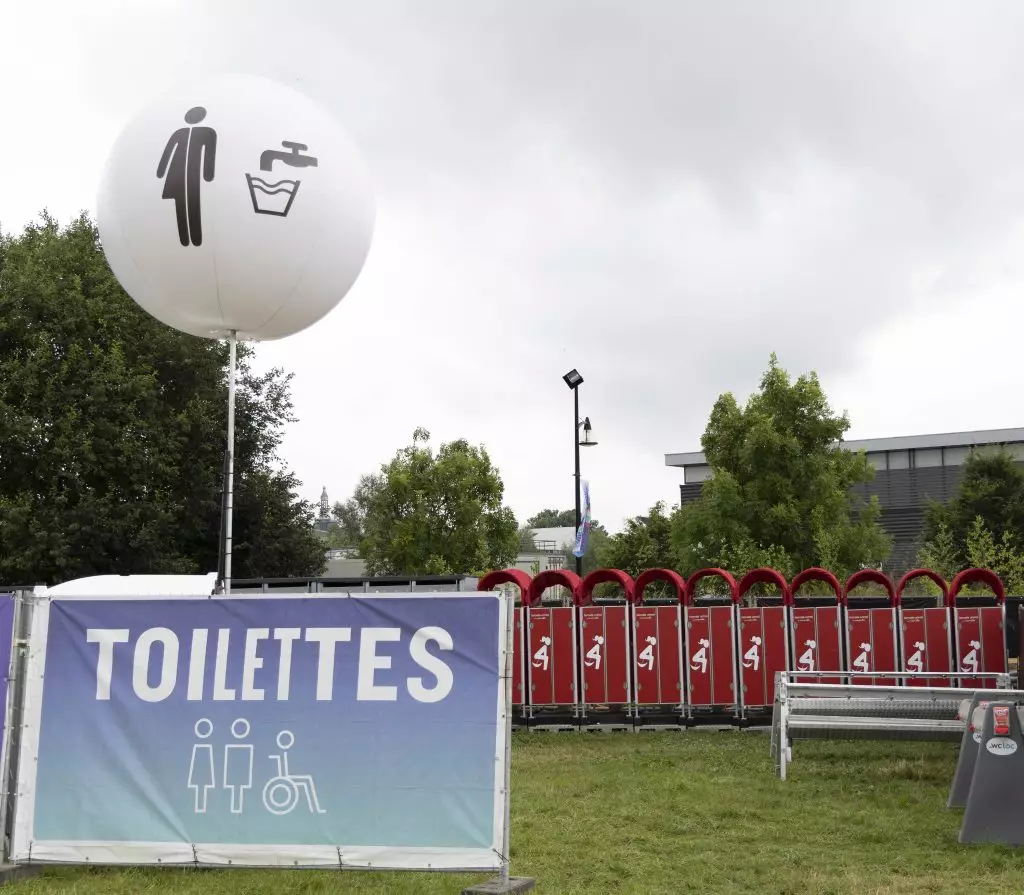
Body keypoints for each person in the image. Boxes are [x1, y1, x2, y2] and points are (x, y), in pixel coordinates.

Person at [157, 106, 217, 247]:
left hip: (179, 178)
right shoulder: (205, 132)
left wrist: (161, 170)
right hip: (181, 179)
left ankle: (193, 237)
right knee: (184, 207)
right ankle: (188, 237)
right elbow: (168, 152)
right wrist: (207, 175)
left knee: (190, 206)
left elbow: (209, 155)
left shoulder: (201, 132)